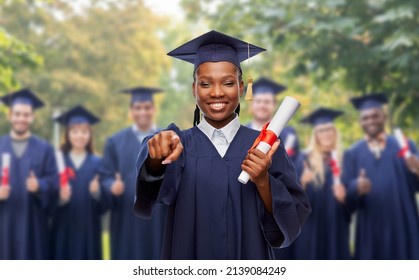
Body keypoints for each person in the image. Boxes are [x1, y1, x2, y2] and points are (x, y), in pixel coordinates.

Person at [134, 30, 311, 260]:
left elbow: (292, 221)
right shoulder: (178, 145)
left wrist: (263, 181)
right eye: (205, 84)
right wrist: (156, 159)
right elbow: (154, 194)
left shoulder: (265, 148)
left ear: (241, 87)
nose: (217, 92)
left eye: (227, 83)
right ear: (194, 89)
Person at [342, 93, 419, 259]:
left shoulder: (405, 145)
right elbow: (346, 197)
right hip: (371, 228)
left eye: (375, 116)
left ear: (384, 117)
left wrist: (418, 170)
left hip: (403, 223)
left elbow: (416, 186)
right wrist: (357, 186)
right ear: (360, 121)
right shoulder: (352, 153)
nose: (371, 121)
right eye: (366, 118)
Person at [99, 87, 167, 260]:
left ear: (153, 109)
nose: (142, 112)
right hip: (125, 218)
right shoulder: (115, 142)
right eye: (138, 108)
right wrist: (111, 187)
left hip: (158, 218)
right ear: (131, 111)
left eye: (146, 107)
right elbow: (104, 177)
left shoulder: (165, 139)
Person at [0, 88, 58, 259]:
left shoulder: (44, 148)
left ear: (32, 117)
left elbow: (54, 181)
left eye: (26, 115)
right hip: (4, 226)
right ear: (10, 115)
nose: (21, 119)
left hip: (33, 227)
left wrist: (39, 186)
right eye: (17, 114)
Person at [291, 107, 350, 259]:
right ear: (315, 134)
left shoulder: (344, 159)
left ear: (335, 132)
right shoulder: (304, 159)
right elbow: (293, 199)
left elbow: (352, 198)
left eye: (329, 129)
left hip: (336, 225)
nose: (326, 134)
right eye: (322, 130)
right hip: (312, 225)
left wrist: (345, 196)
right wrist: (303, 182)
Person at [50, 105, 107, 259]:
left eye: (84, 131)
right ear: (67, 134)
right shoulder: (57, 162)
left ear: (89, 135)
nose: (79, 136)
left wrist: (97, 193)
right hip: (62, 229)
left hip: (89, 230)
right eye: (75, 131)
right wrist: (60, 198)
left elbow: (105, 205)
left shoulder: (98, 163)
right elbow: (47, 202)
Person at [245, 77, 300, 163]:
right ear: (252, 104)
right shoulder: (242, 131)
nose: (262, 105)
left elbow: (295, 166)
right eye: (258, 101)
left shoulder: (288, 134)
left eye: (267, 102)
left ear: (274, 105)